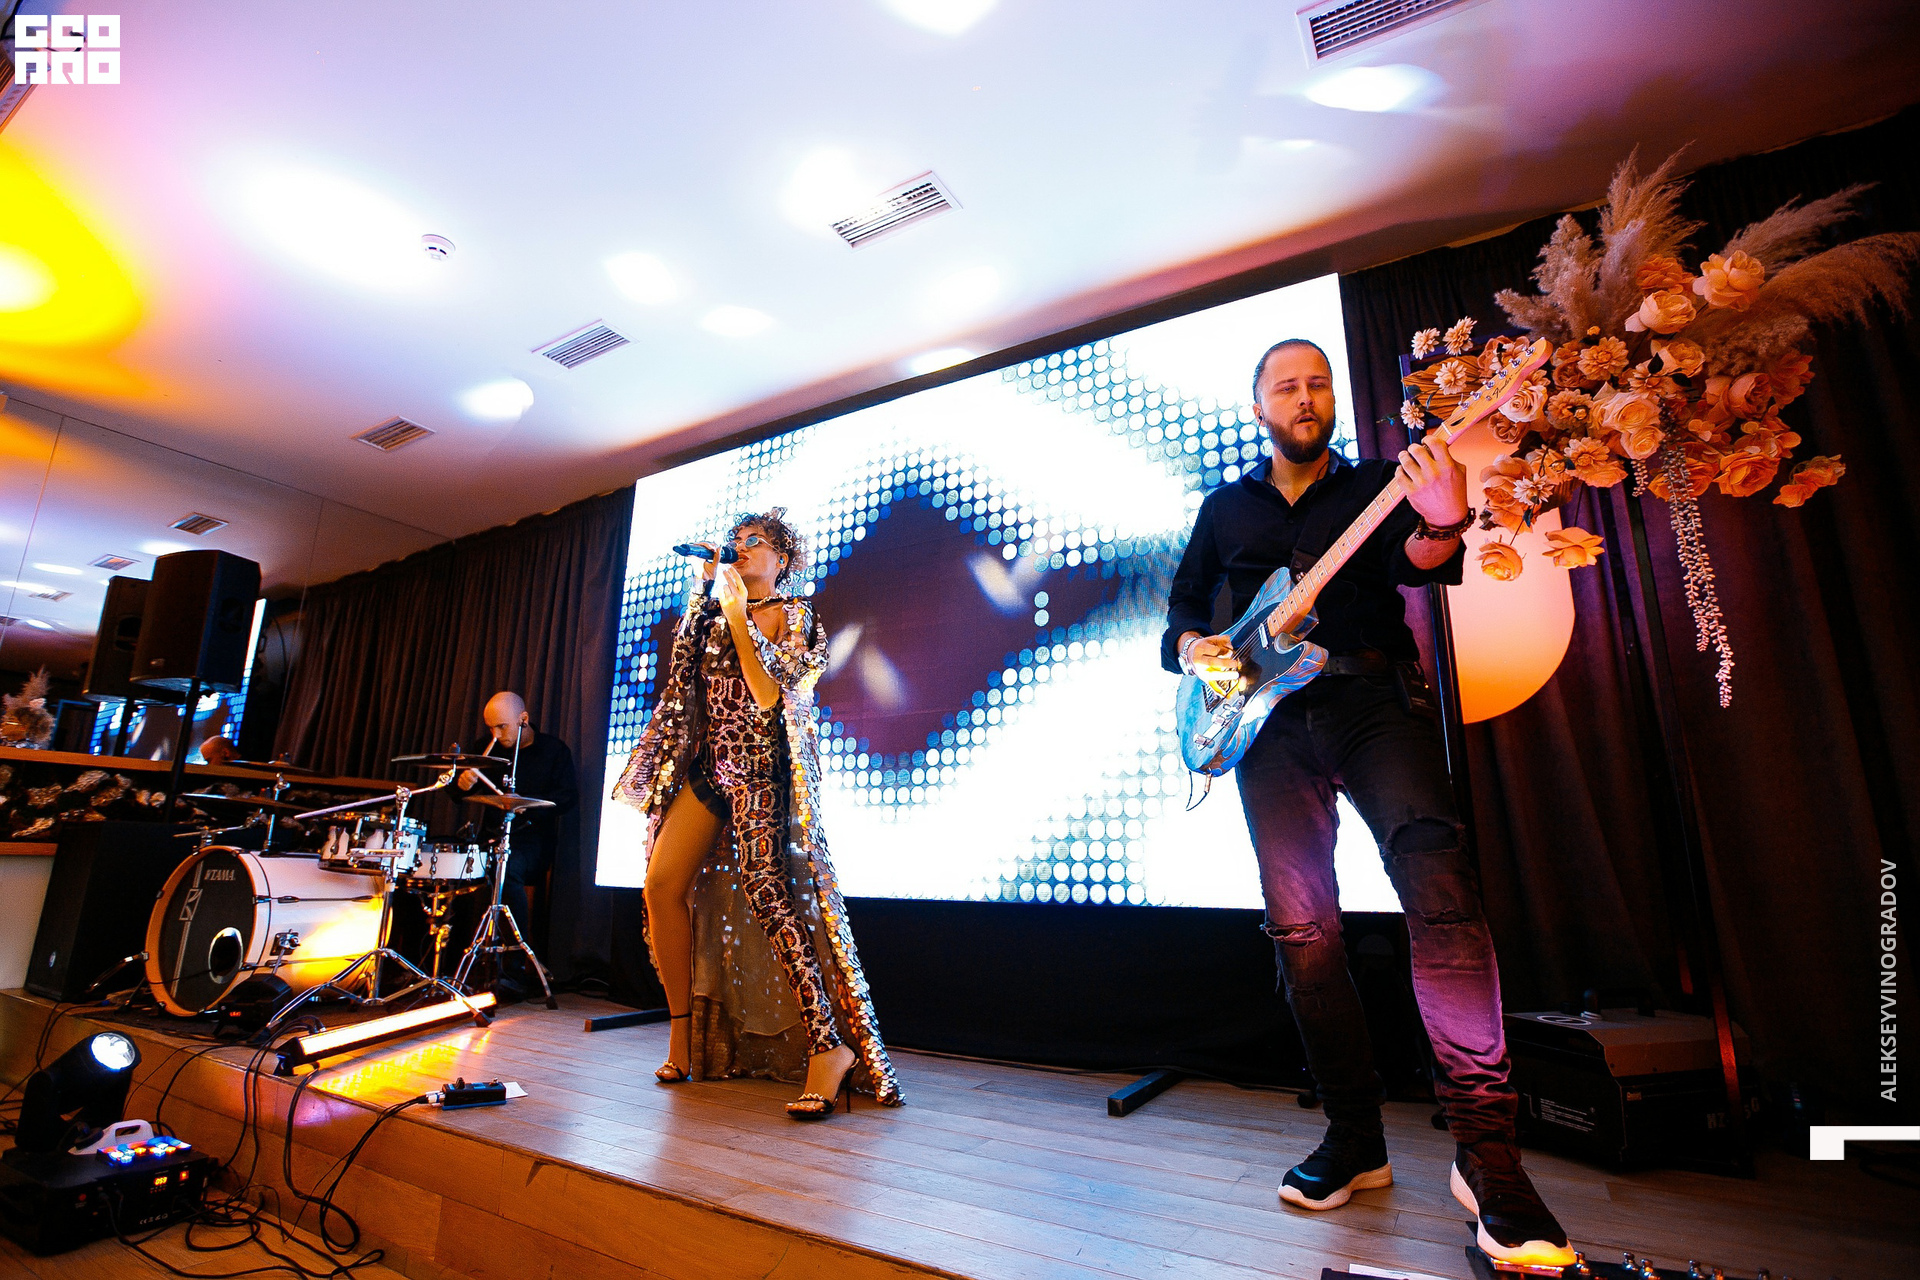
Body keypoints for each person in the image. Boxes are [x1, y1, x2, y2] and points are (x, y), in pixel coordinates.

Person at [1163, 339, 1574, 1268]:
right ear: (1258, 406)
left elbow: (1420, 561)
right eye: (1286, 386)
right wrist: (1195, 648)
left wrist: (1444, 521)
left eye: (1319, 383)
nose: (1305, 397)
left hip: (1373, 701)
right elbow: (1182, 608)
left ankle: (1489, 1157)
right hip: (1268, 726)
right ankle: (1354, 1136)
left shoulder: (1383, 482)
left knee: (1445, 903)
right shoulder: (1225, 507)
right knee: (1303, 930)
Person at [614, 509, 901, 1119]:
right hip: (710, 767)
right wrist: (705, 599)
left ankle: (827, 1046)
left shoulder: (796, 616)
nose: (740, 550)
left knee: (769, 893)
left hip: (765, 768)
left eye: (754, 542)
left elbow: (770, 691)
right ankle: (682, 1039)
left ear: (782, 559)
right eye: (735, 542)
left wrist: (740, 614)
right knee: (661, 886)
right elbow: (679, 681)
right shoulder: (713, 612)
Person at [456, 690, 577, 981]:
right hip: (490, 837)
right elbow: (456, 795)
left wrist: (529, 806)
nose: (495, 735)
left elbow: (568, 798)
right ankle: (460, 962)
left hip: (532, 841)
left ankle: (514, 964)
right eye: (490, 728)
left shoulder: (554, 750)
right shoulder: (486, 748)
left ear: (523, 719)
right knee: (453, 866)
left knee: (506, 869)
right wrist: (462, 784)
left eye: (502, 727)